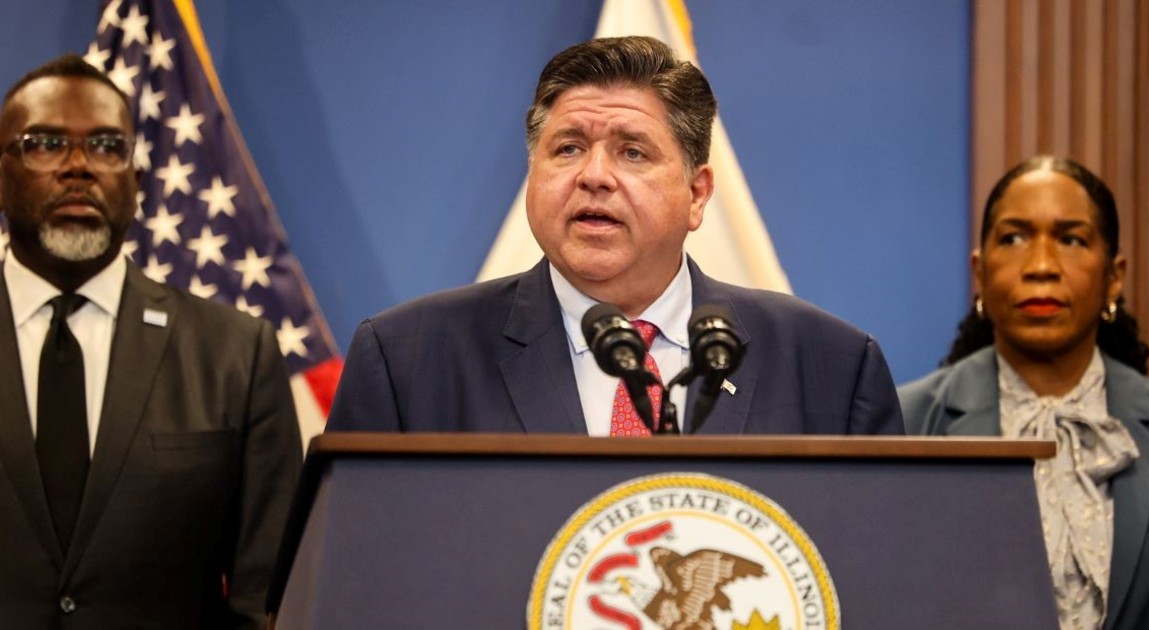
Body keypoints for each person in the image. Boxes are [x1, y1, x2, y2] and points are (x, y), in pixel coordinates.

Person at [327, 36, 902, 436]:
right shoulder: (407, 361)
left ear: (697, 193)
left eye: (632, 152)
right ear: (532, 172)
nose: (594, 176)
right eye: (568, 148)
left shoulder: (831, 368)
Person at [0, 54, 301, 627]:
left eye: (107, 147)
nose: (78, 166)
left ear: (136, 186)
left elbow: (270, 598)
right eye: (46, 144)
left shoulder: (235, 355)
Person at [900, 156, 1149, 629]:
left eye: (1071, 239)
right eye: (1013, 238)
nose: (1041, 266)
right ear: (980, 272)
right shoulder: (903, 424)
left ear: (1114, 275)